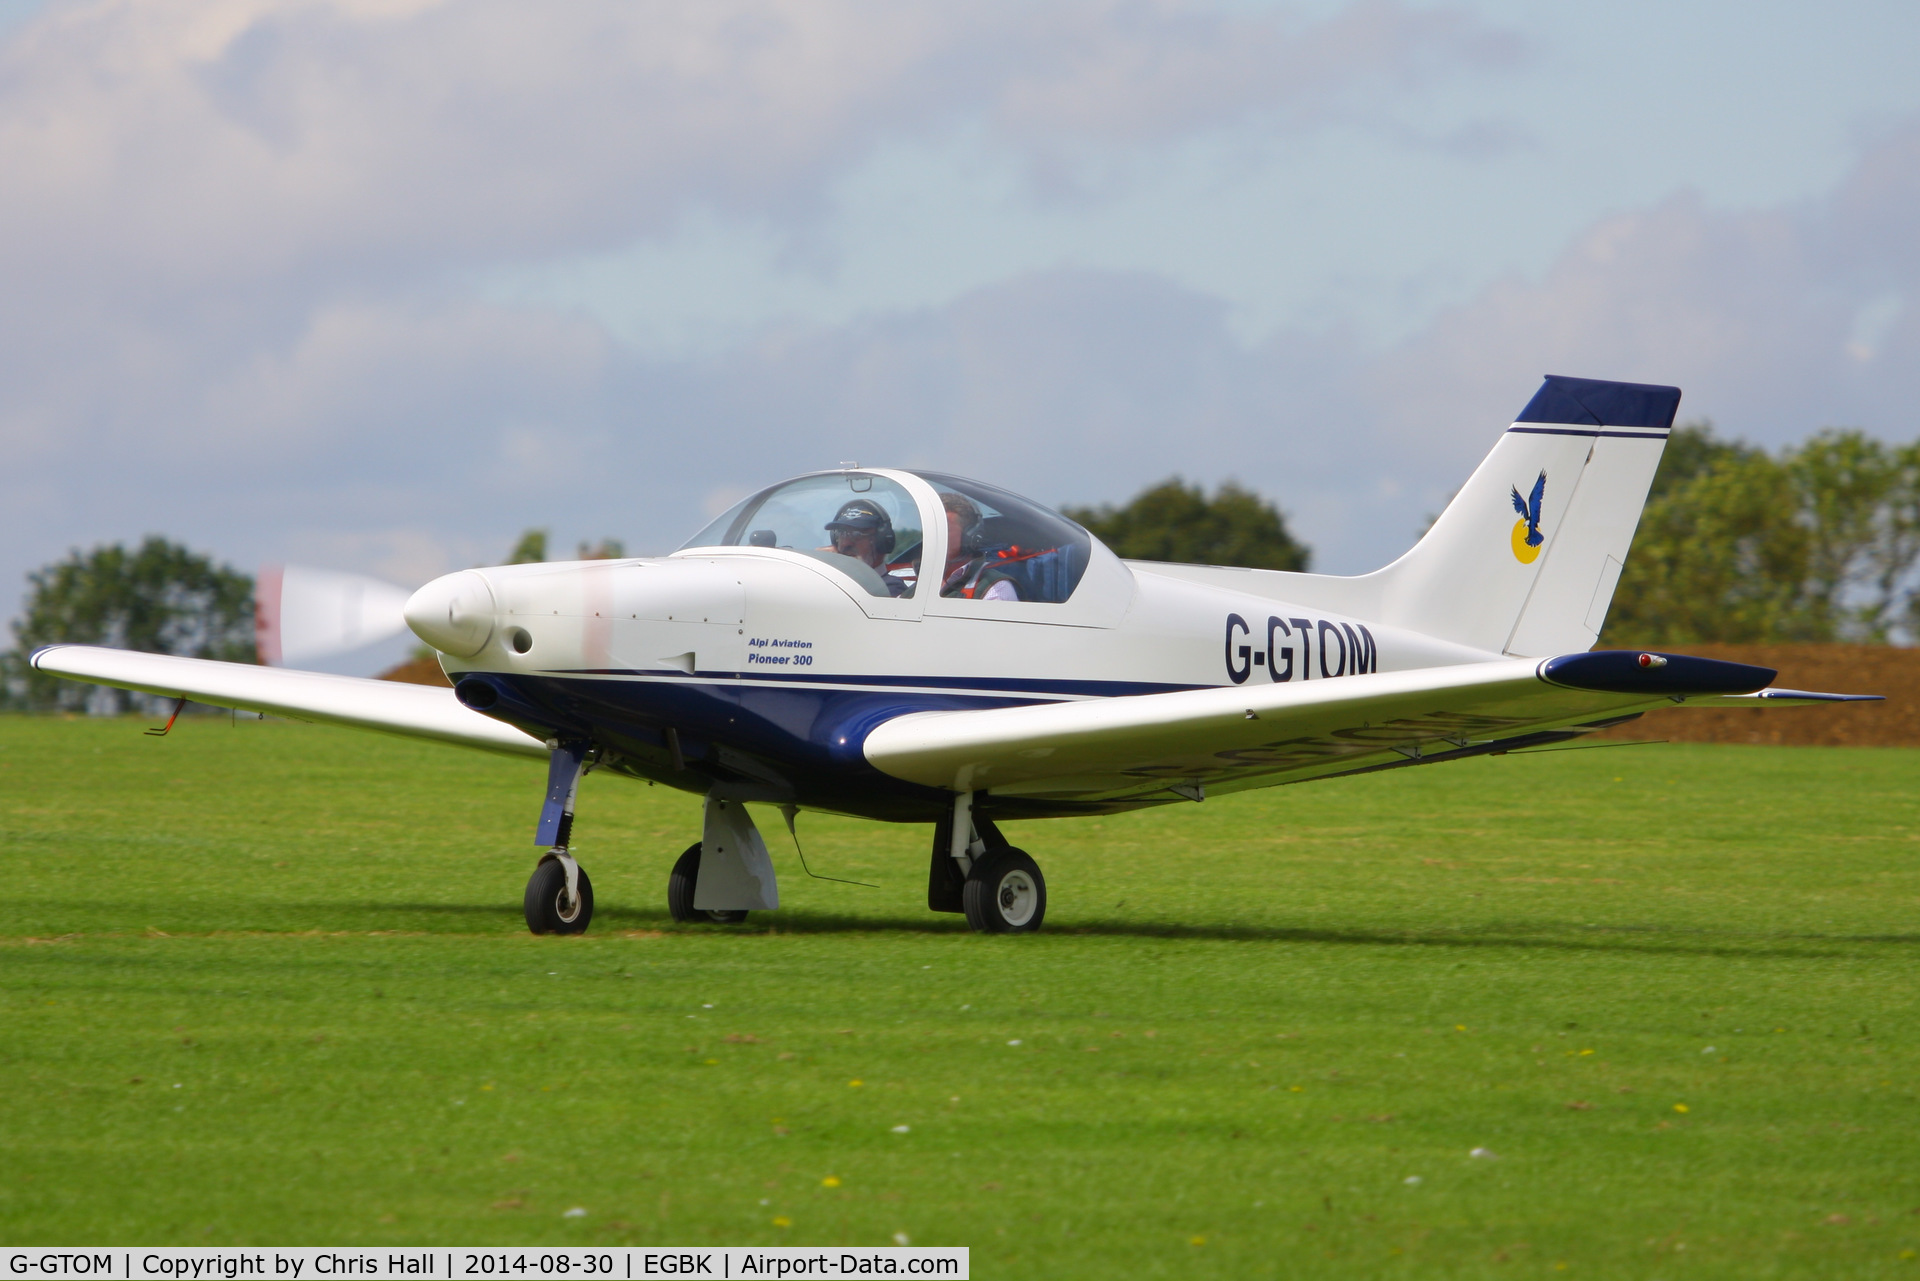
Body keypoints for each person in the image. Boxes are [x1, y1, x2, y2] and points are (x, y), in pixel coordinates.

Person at [939, 491, 1019, 600]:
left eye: (944, 528)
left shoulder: (995, 588)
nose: (935, 534)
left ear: (970, 536)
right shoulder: (918, 581)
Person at [823, 499, 908, 596]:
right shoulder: (834, 584)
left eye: (857, 534)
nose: (846, 543)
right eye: (842, 533)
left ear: (881, 541)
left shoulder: (889, 589)